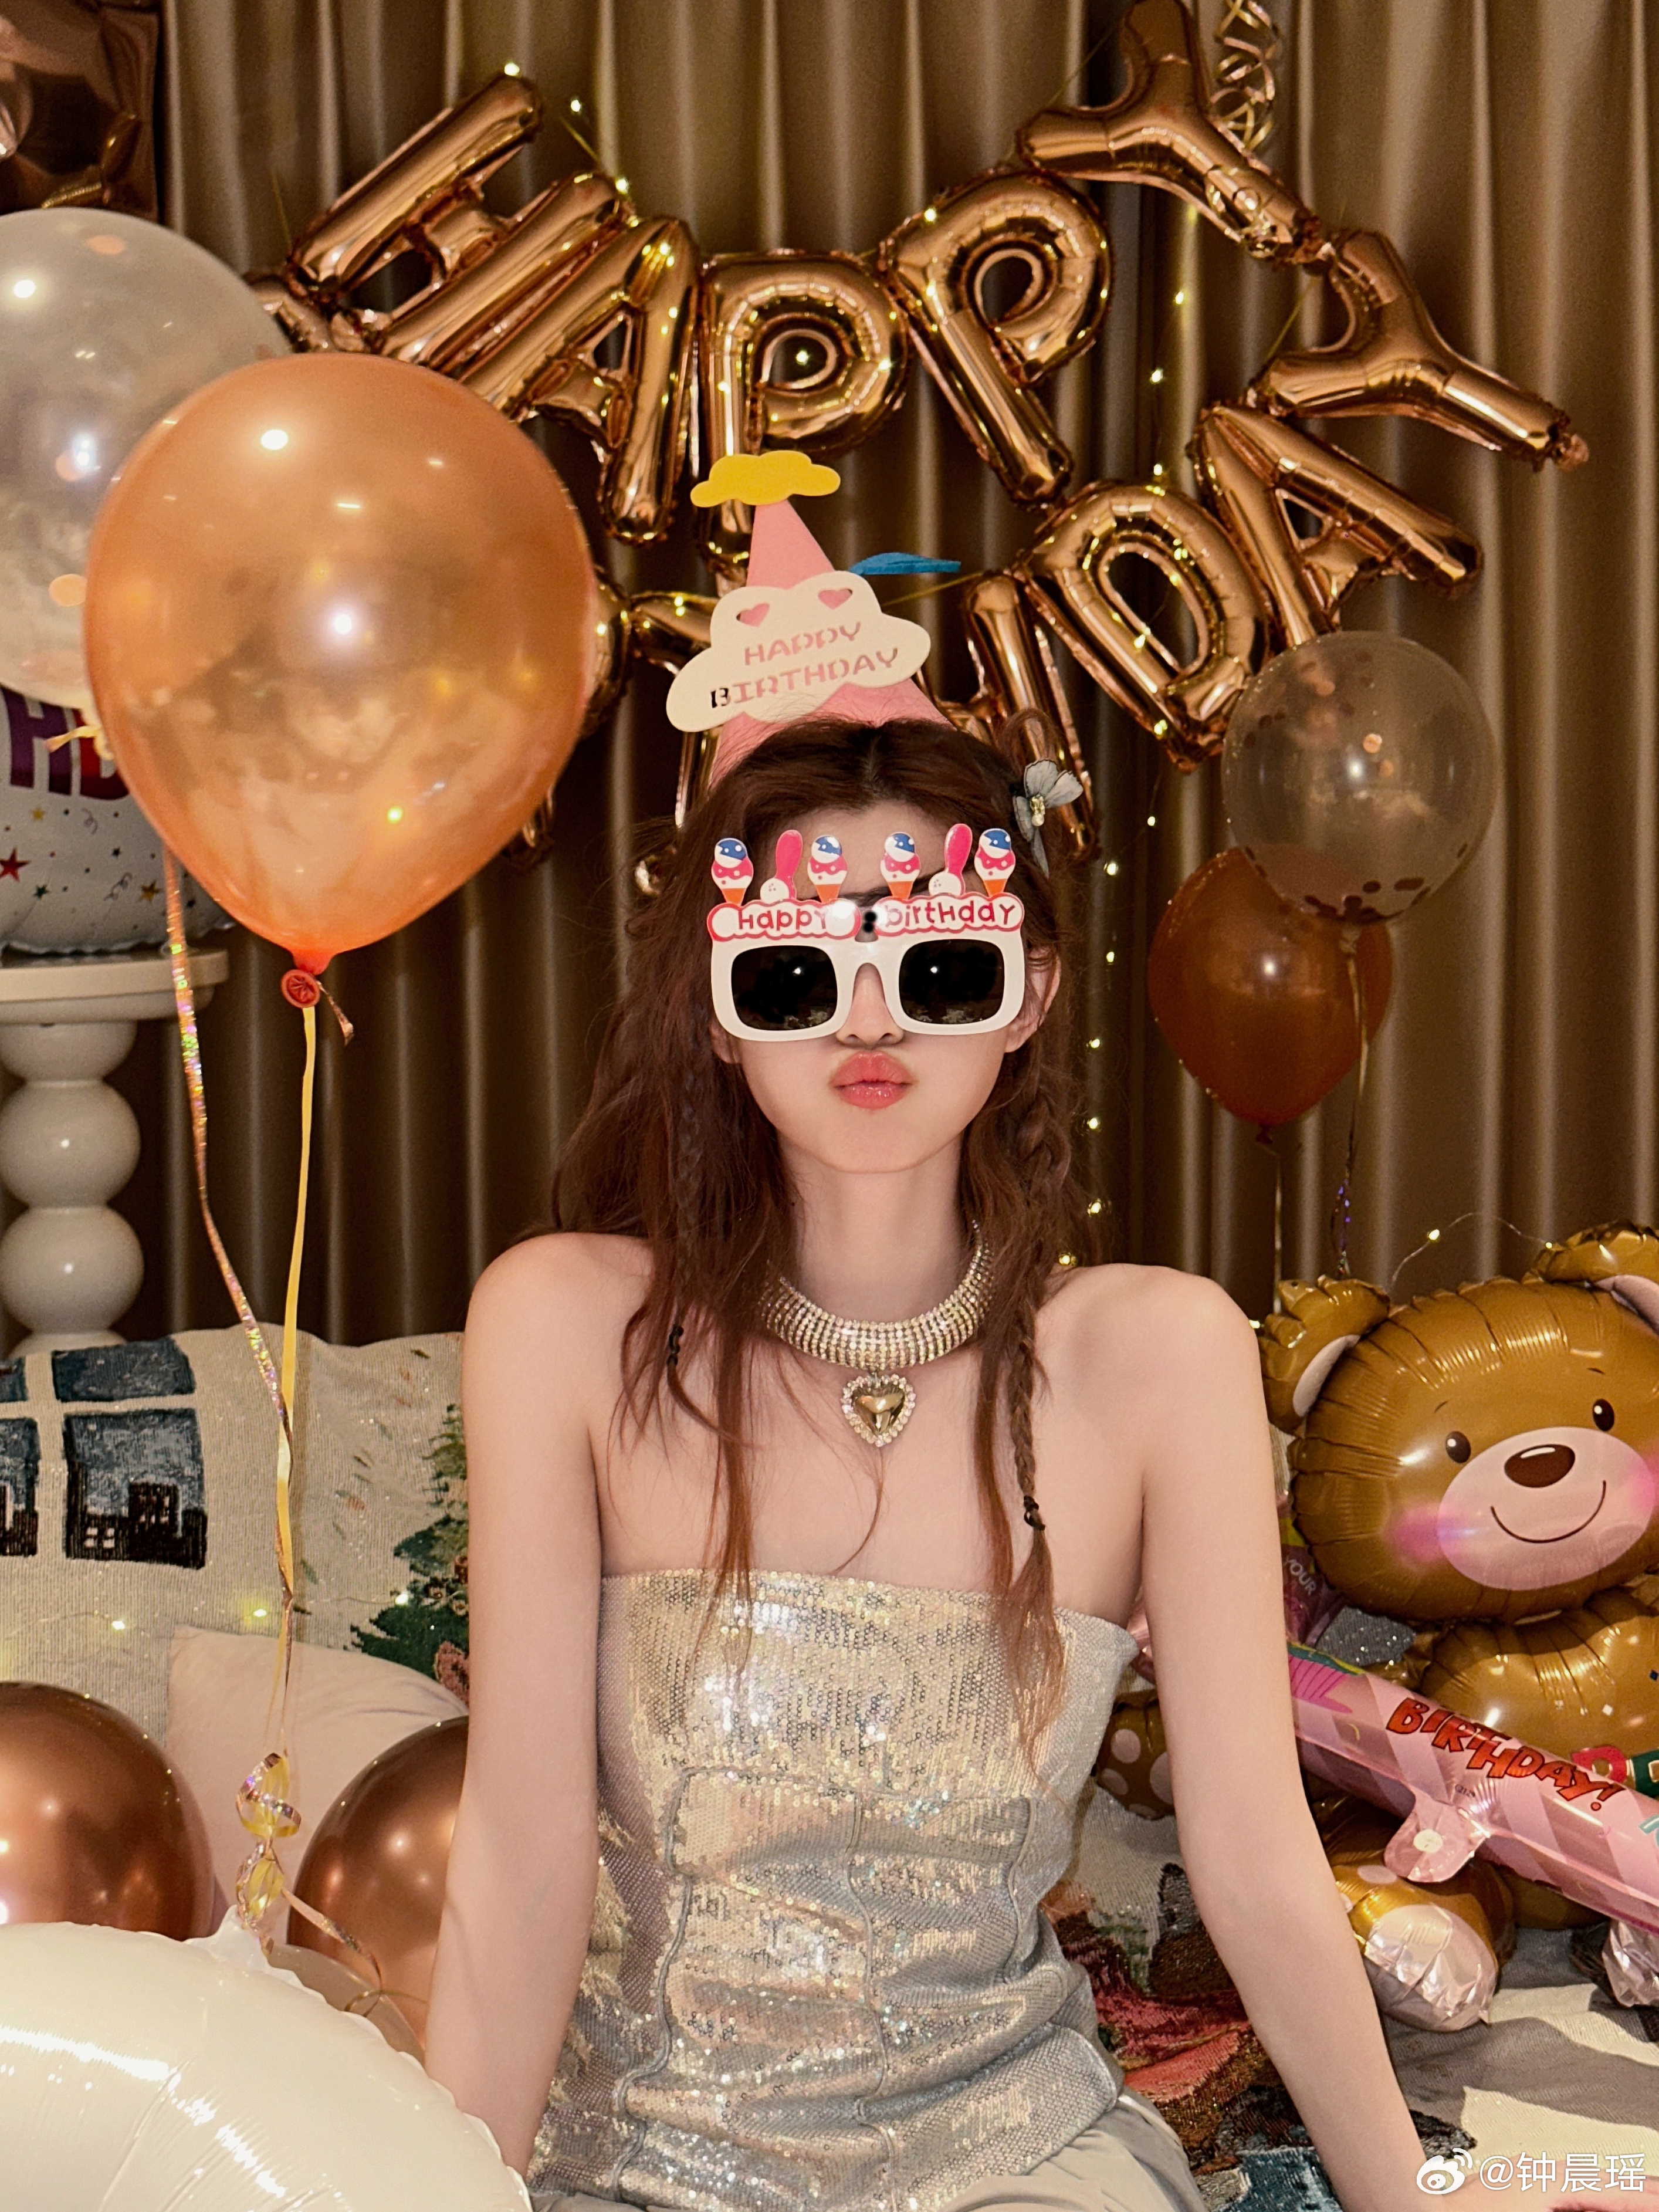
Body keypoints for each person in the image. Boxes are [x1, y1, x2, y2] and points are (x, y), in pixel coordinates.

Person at [422, 475, 1648, 2212]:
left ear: (1032, 991)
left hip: (1015, 2159)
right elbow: (520, 1868)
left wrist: (1408, 2202)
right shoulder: (565, 1326)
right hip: (640, 2162)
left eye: (939, 968)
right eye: (793, 977)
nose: (866, 1019)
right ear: (716, 1009)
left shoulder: (1156, 1353)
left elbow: (1253, 1858)